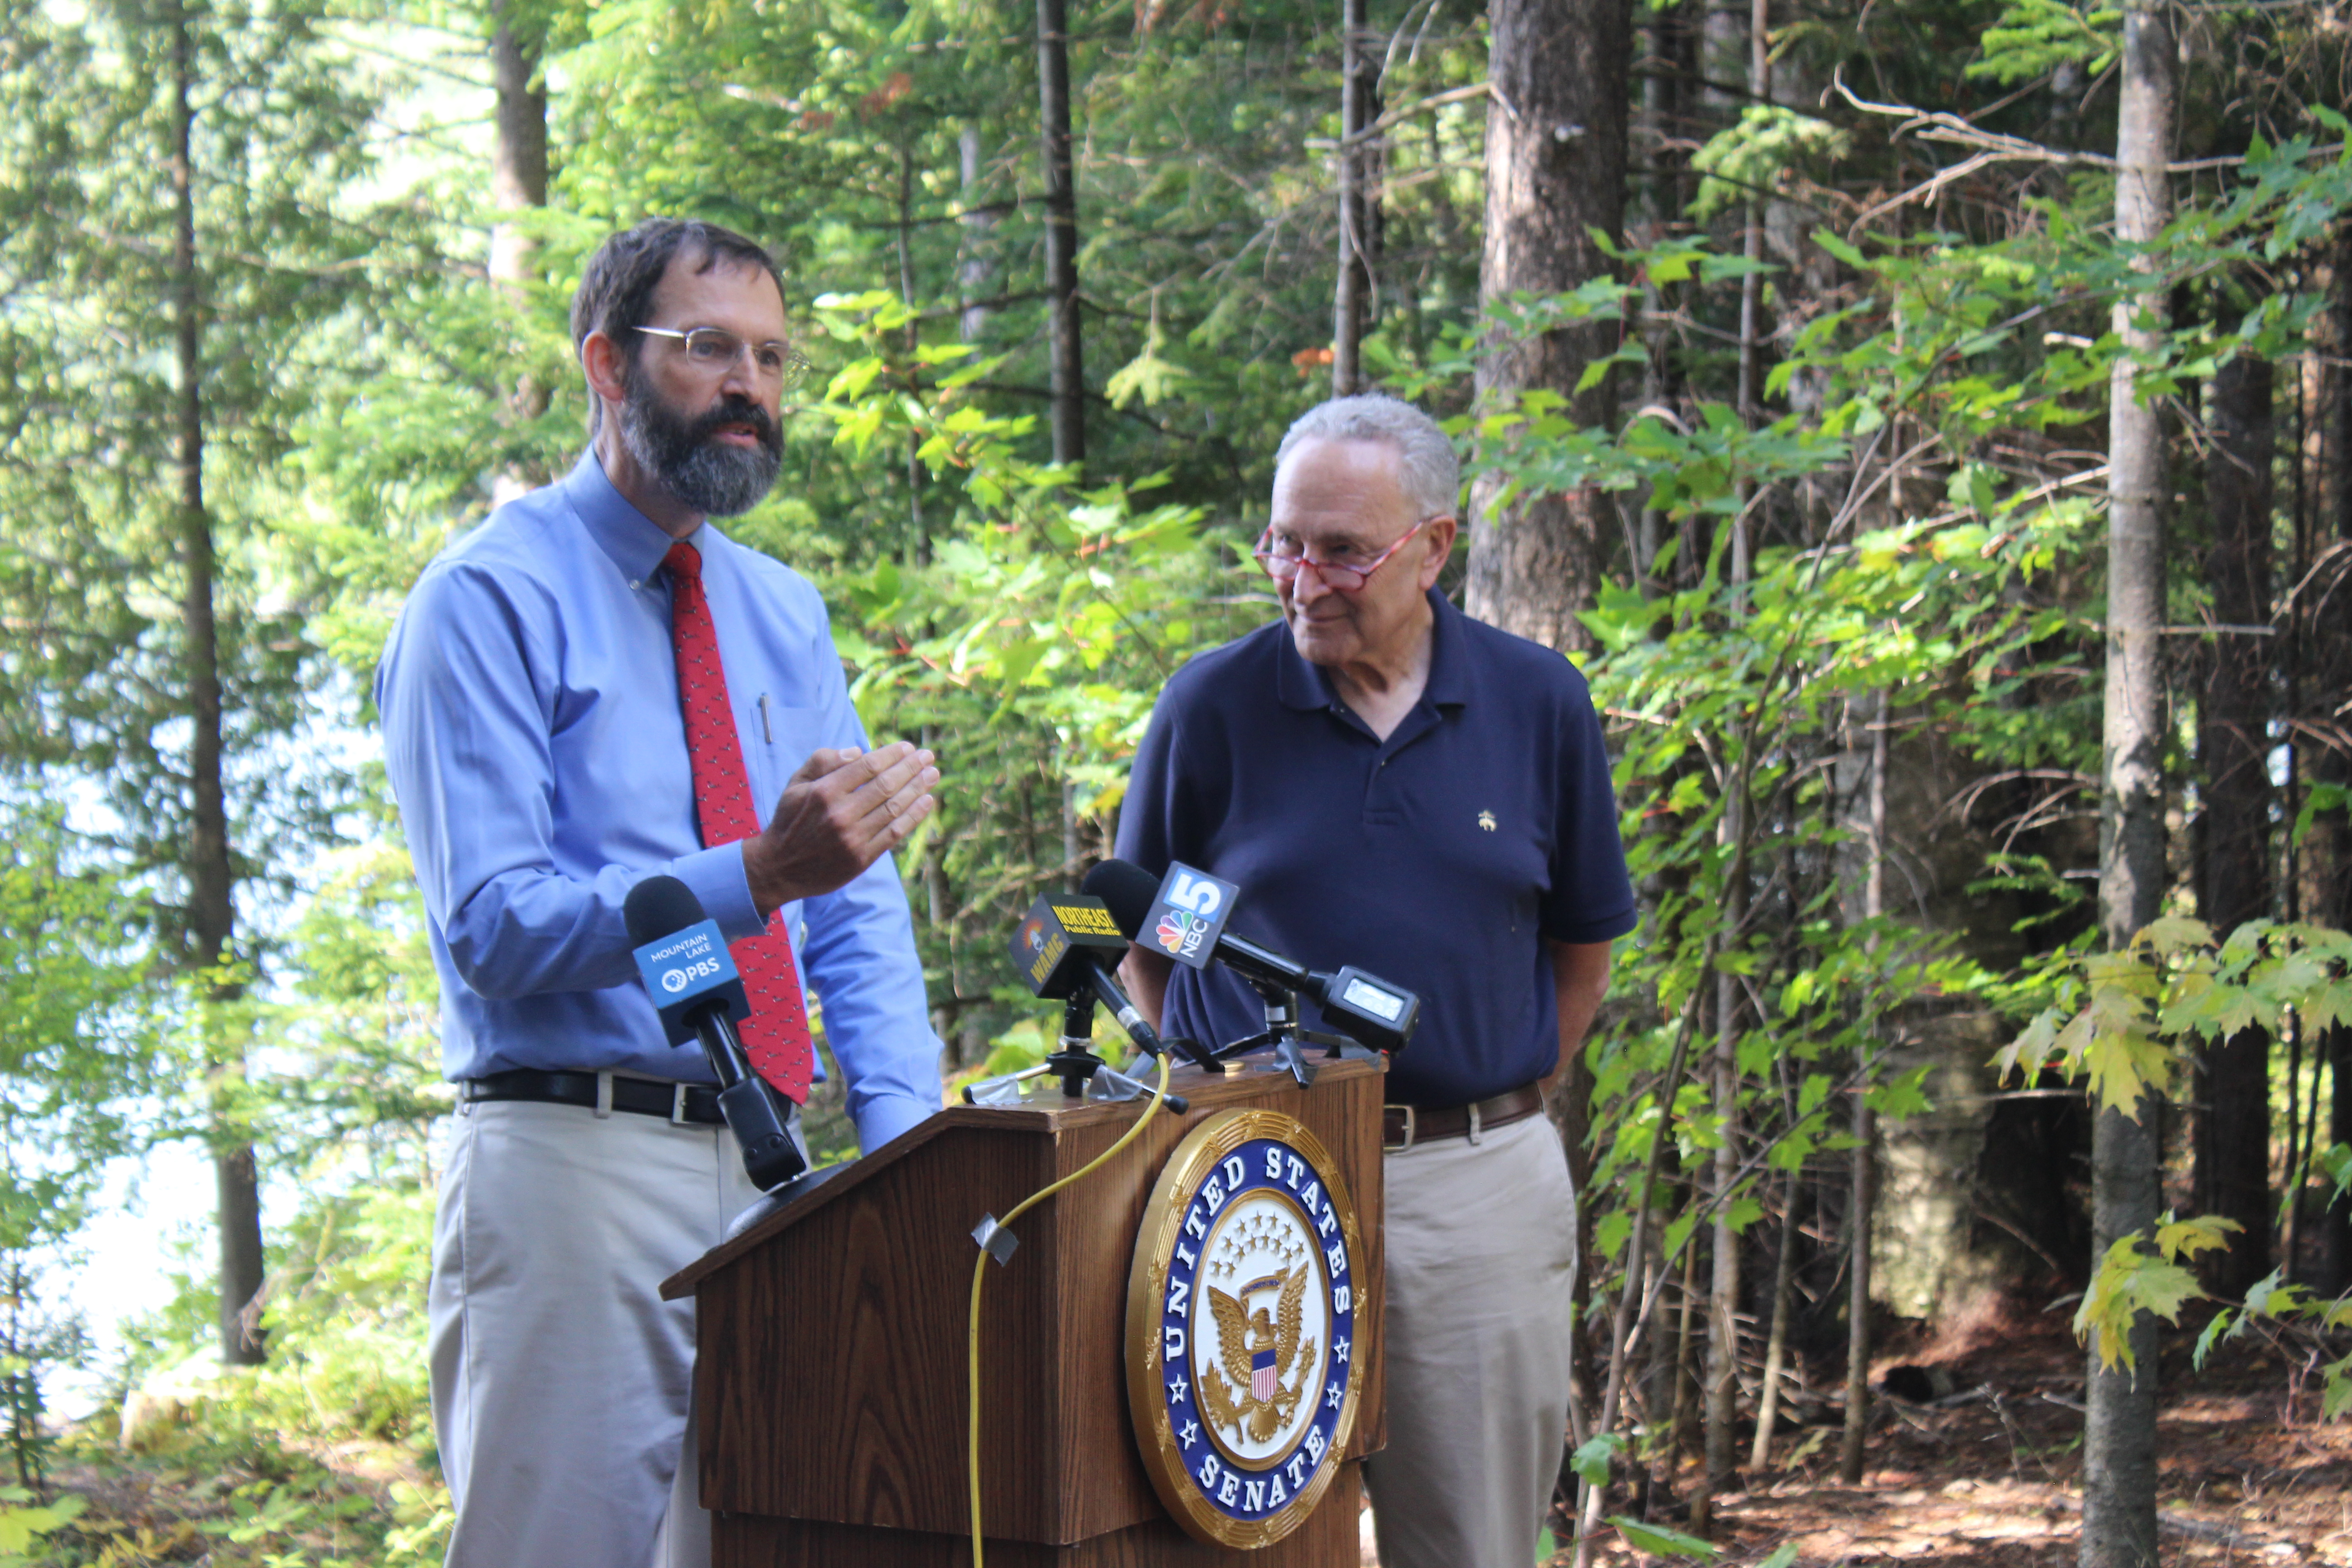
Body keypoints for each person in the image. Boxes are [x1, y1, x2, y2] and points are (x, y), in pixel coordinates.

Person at [376, 217, 944, 1568]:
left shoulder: (782, 610)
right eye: (708, 350)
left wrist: (908, 1158)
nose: (748, 383)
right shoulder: (486, 600)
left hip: (779, 1178)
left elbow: (855, 909)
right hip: (578, 1161)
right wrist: (753, 878)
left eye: (770, 355)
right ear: (606, 364)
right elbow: (496, 928)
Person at [1113, 394, 1636, 1568]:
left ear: (1436, 546)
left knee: (1468, 1543)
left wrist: (1480, 1096)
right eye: (1285, 544)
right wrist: (1206, 1093)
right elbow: (1140, 932)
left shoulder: (1536, 701)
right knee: (1231, 1532)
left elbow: (1583, 947)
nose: (1304, 578)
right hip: (1243, 1182)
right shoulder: (1214, 707)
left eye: (1344, 550)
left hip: (1470, 1186)